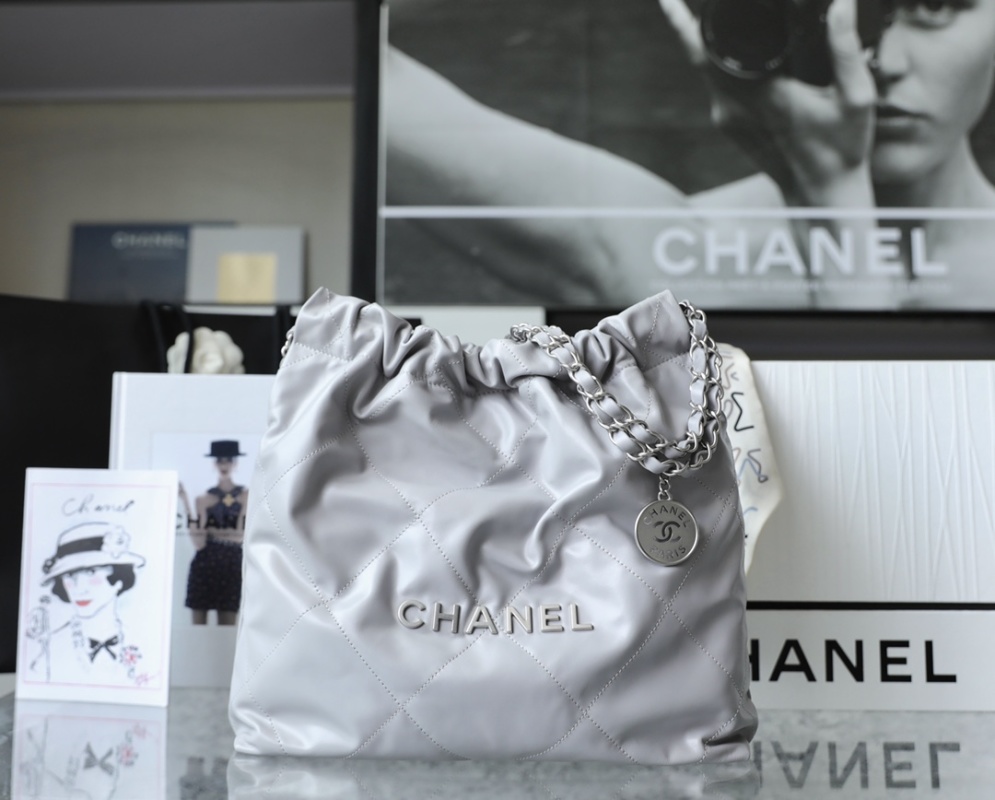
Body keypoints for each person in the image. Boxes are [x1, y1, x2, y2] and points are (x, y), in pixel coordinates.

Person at [384, 0, 995, 309]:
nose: (882, 62)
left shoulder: (672, 255)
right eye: (835, 11)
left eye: (933, 6)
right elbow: (388, 89)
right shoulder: (688, 244)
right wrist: (829, 191)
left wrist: (831, 189)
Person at [26, 522, 146, 686]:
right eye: (69, 575)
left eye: (91, 573)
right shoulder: (50, 647)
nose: (79, 588)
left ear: (119, 579)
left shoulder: (141, 638)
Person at [180, 440, 248, 626]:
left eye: (228, 460)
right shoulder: (204, 499)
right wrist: (185, 502)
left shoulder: (246, 496)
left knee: (227, 623)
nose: (224, 465)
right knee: (198, 623)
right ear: (214, 463)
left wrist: (215, 533)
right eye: (219, 460)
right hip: (206, 562)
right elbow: (199, 542)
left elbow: (240, 535)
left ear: (235, 463)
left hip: (232, 562)